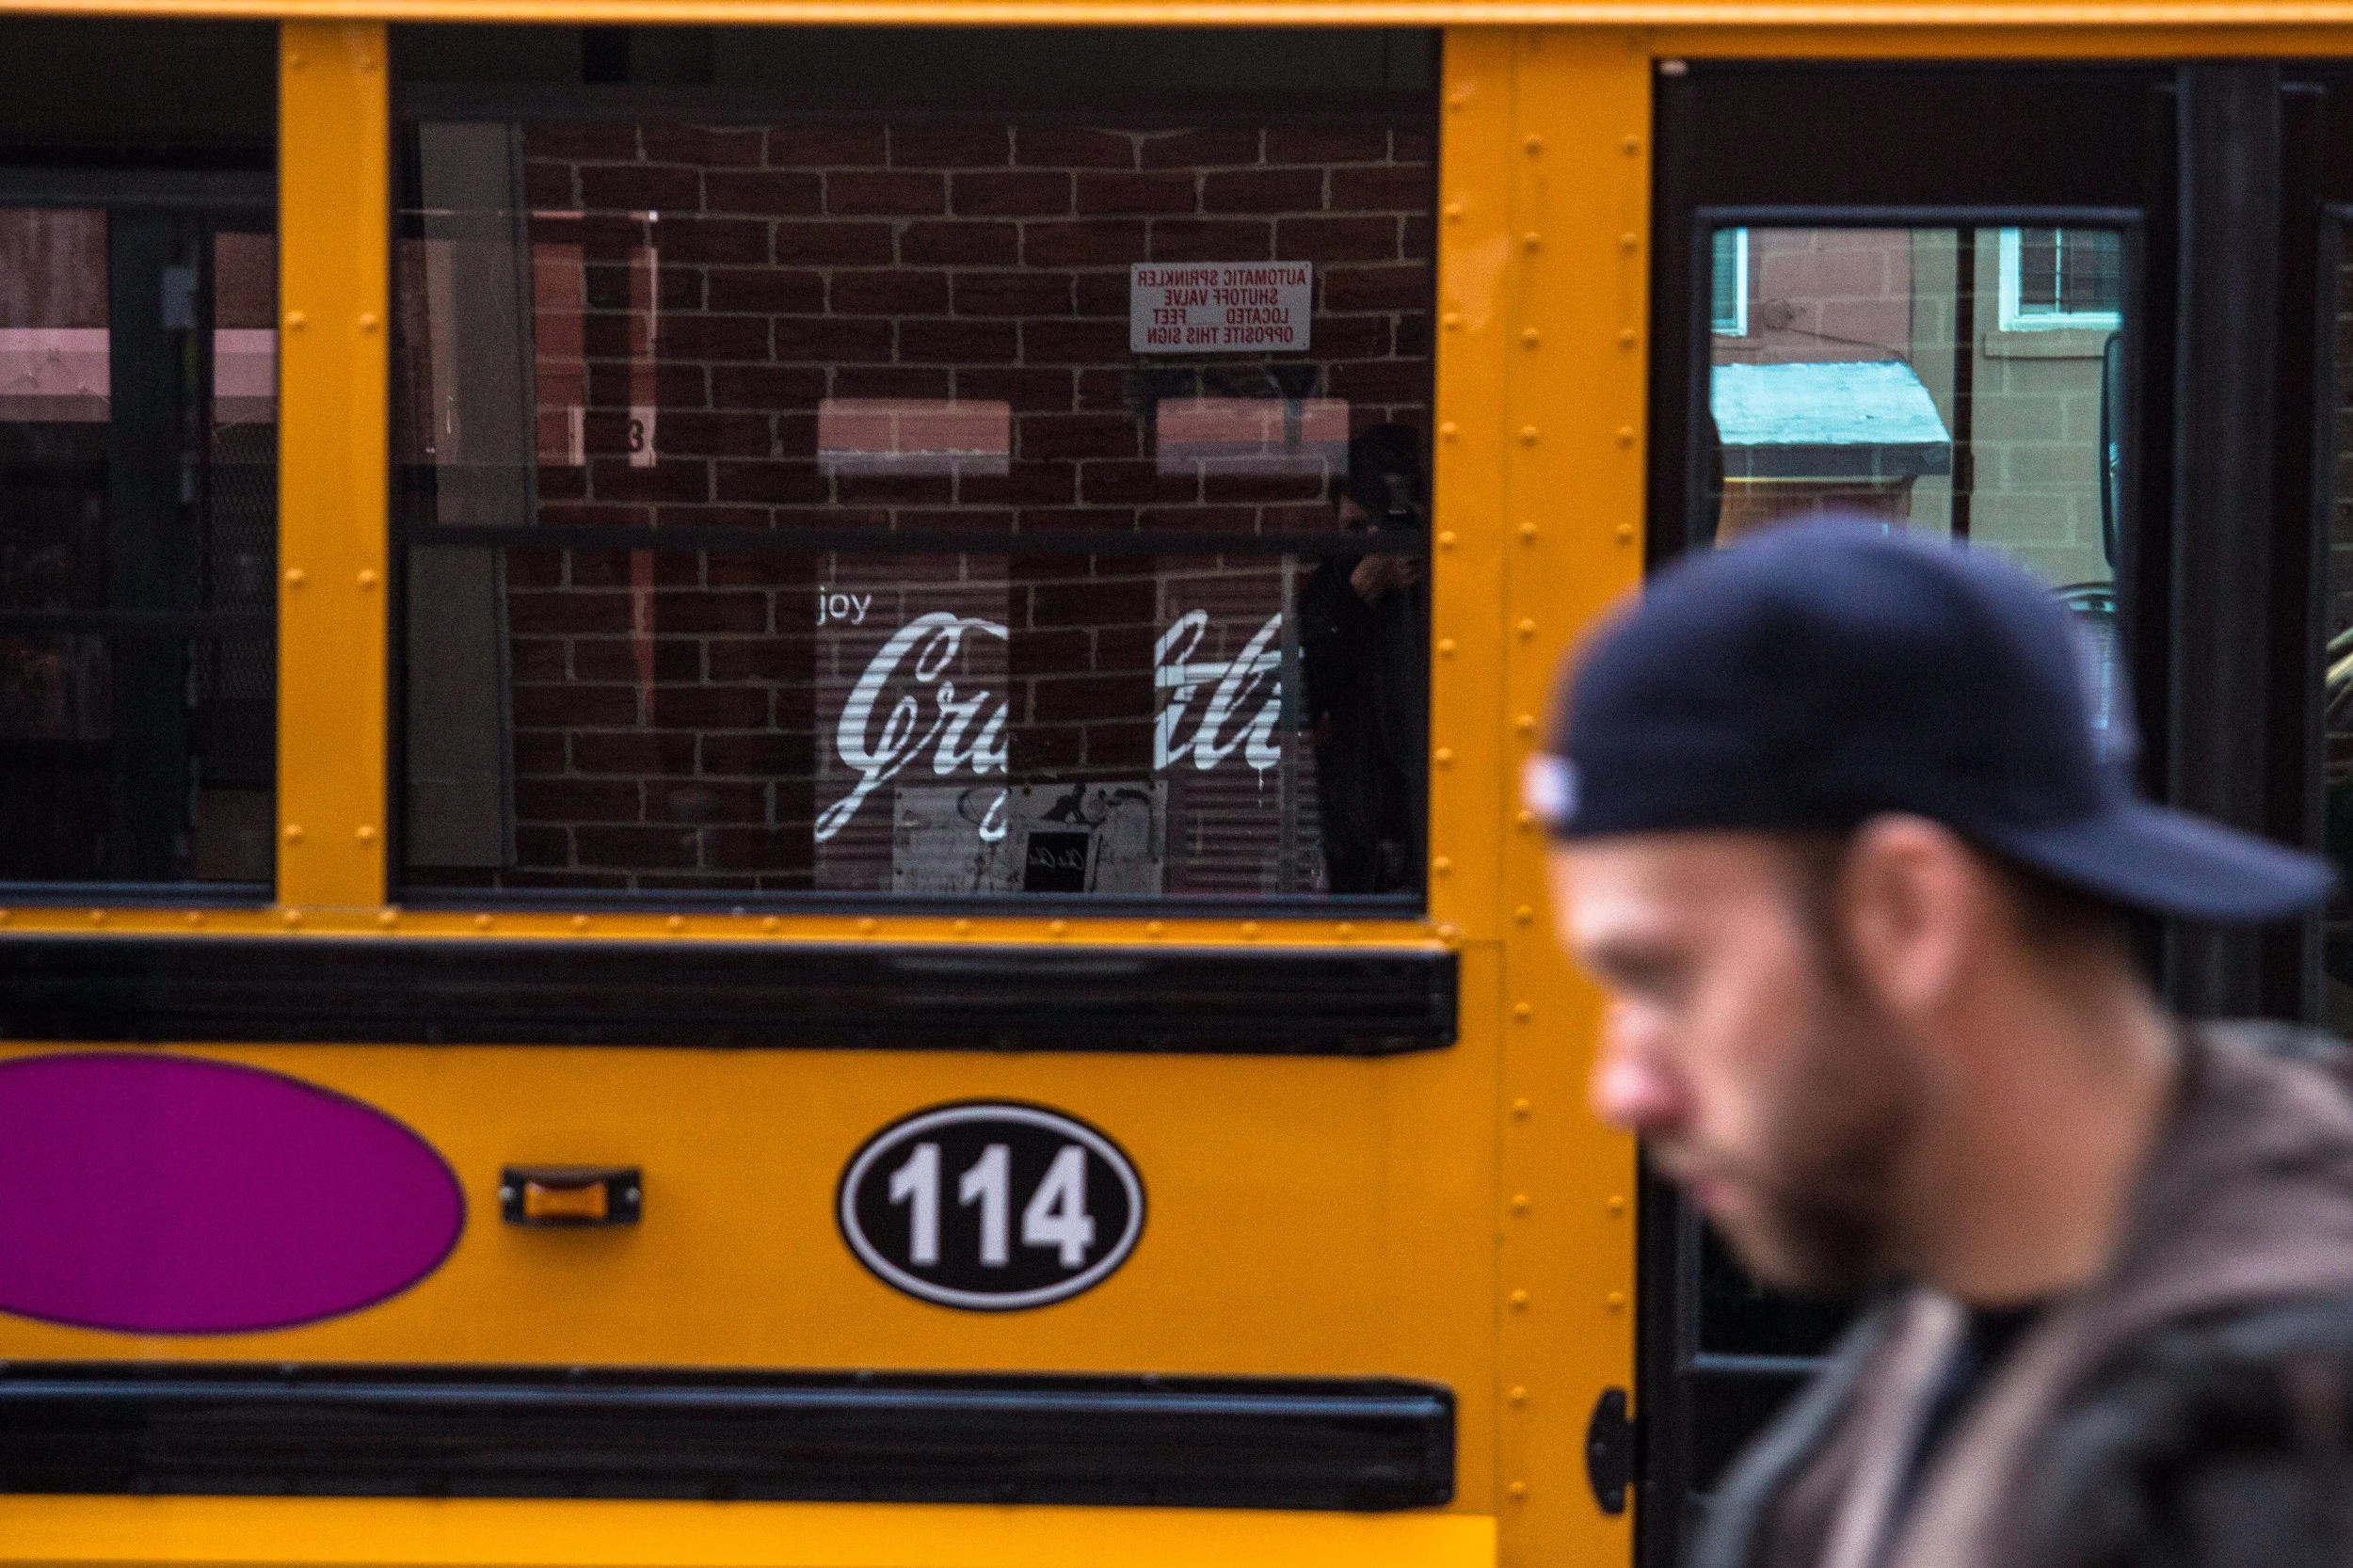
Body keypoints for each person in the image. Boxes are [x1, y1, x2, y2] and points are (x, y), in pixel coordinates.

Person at [1531, 521, 2353, 1568]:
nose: (1623, 1088)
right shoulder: (1962, 1323)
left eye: (1665, 977)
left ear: (1906, 913)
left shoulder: (2282, 1453)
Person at [1300, 424, 1430, 894]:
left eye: (1371, 525)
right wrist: (1361, 590)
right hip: (1362, 827)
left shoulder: (1459, 572)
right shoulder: (1341, 576)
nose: (1364, 540)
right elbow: (1301, 699)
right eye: (1352, 530)